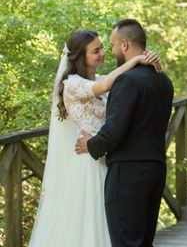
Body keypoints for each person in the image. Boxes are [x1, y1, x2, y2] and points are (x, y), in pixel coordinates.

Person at [29, 28, 162, 247]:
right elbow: (103, 86)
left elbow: (114, 85)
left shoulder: (107, 78)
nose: (103, 53)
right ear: (81, 57)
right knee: (90, 223)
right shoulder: (71, 84)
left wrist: (149, 58)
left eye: (103, 47)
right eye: (96, 50)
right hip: (87, 162)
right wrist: (139, 58)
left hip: (110, 159)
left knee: (117, 224)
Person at [75, 19, 174, 247]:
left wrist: (91, 145)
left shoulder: (127, 80)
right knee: (143, 241)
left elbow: (114, 131)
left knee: (126, 241)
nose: (111, 51)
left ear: (125, 45)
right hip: (156, 168)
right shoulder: (163, 80)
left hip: (128, 172)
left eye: (112, 45)